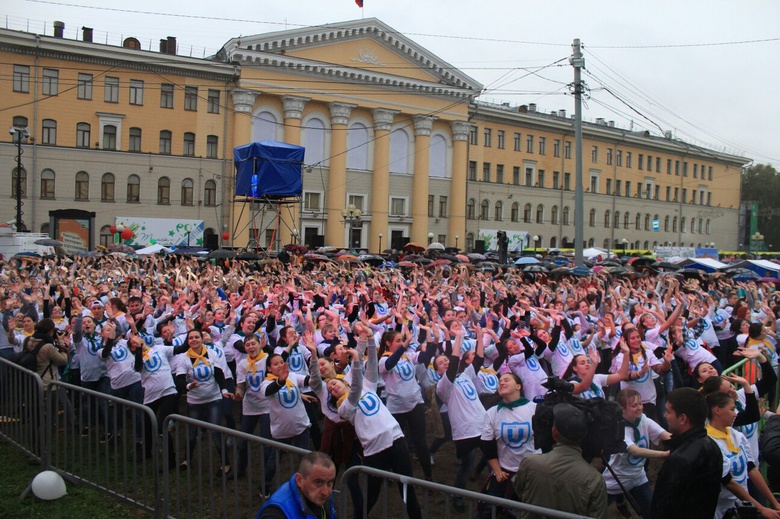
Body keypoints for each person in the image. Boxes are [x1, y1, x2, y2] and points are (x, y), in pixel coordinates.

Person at [512, 403, 608, 519]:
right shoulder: (594, 479)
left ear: (554, 432)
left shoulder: (530, 463)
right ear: (584, 435)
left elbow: (520, 490)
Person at [651, 387, 724, 519]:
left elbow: (663, 508)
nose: (664, 416)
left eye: (668, 412)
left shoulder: (679, 460)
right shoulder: (712, 446)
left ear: (683, 419)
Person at [603, 389, 671, 519]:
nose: (639, 408)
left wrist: (684, 440)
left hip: (637, 477)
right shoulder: (619, 428)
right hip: (616, 479)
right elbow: (634, 450)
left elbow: (665, 435)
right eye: (634, 405)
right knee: (593, 512)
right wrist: (663, 454)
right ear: (622, 409)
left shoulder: (643, 419)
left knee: (652, 513)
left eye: (640, 403)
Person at [256, 450, 337, 519]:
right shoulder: (275, 513)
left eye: (329, 483)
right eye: (318, 483)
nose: (325, 492)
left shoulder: (320, 500)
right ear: (299, 480)